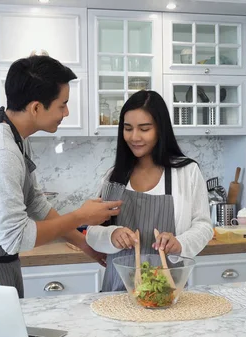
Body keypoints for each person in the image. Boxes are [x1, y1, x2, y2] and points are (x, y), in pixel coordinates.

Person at [0, 55, 122, 297]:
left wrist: (83, 244)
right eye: (62, 104)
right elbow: (16, 238)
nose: (66, 112)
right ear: (36, 107)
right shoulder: (1, 154)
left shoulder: (16, 137)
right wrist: (80, 216)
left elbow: (35, 201)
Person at [85, 90, 213, 292]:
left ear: (160, 129)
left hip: (168, 290)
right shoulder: (114, 176)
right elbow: (92, 232)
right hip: (117, 290)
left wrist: (179, 243)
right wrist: (112, 235)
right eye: (128, 128)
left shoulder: (186, 172)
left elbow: (204, 226)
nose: (134, 137)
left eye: (144, 129)